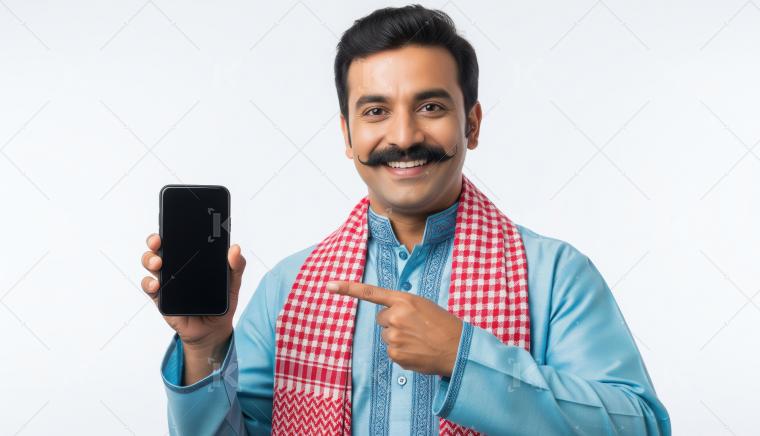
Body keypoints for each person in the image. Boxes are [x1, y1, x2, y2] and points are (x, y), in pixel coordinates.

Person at [139, 4, 670, 435]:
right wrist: (204, 349)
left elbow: (641, 427)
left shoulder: (554, 276)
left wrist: (465, 358)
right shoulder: (288, 289)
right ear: (348, 135)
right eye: (375, 112)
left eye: (431, 107)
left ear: (473, 123)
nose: (403, 136)